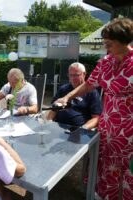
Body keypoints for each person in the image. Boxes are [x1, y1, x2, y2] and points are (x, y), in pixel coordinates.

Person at [55, 18, 133, 199]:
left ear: (124, 40)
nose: (106, 46)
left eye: (109, 42)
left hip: (129, 130)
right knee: (105, 165)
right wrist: (67, 97)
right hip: (108, 125)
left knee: (127, 170)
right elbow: (89, 84)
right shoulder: (106, 61)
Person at [47, 62, 102, 130]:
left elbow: (96, 118)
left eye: (76, 75)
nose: (73, 78)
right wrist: (48, 124)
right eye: (71, 75)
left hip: (78, 131)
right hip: (58, 128)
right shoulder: (63, 89)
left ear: (84, 74)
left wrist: (83, 129)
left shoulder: (91, 92)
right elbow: (53, 110)